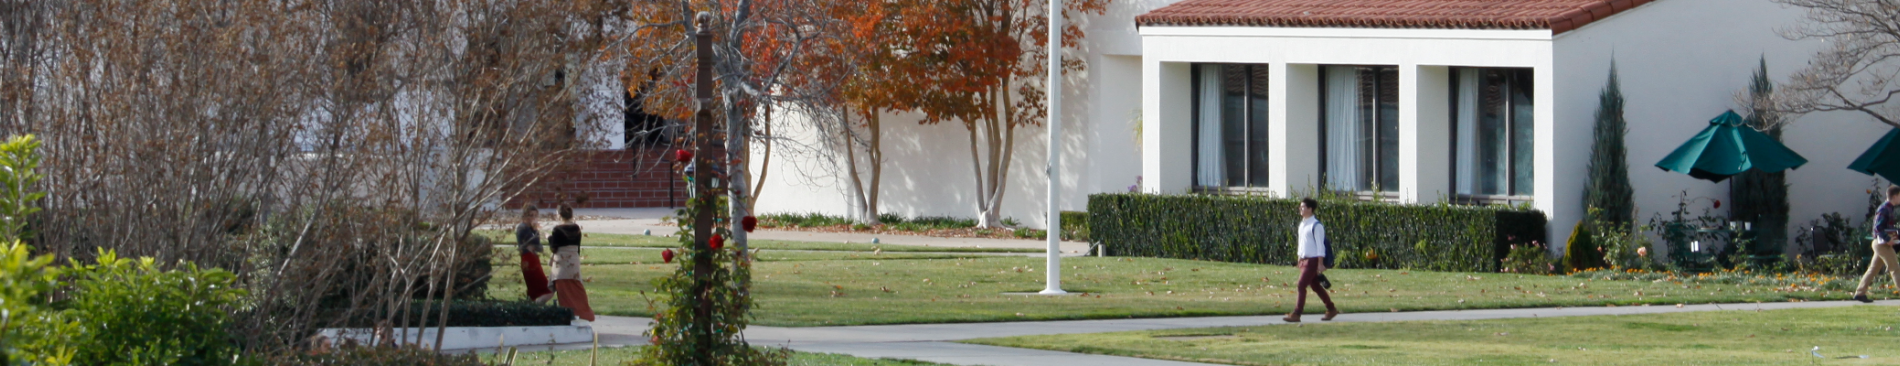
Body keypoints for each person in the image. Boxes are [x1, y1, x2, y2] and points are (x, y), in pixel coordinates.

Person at [1287, 198, 1338, 322]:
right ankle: (1331, 309)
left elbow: (1320, 246)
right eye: (1300, 207)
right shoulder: (1303, 224)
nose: (1300, 209)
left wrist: (1320, 263)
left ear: (1310, 209)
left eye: (1303, 207)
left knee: (1301, 285)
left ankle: (1297, 313)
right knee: (1315, 286)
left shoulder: (1316, 225)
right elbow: (1302, 243)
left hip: (1313, 260)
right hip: (1304, 261)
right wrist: (1299, 259)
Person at [547, 204, 595, 321]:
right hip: (573, 263)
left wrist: (549, 237)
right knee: (576, 290)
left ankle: (568, 315)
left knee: (562, 291)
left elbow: (554, 247)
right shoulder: (576, 228)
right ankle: (584, 313)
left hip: (561, 265)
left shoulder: (557, 229)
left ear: (559, 215)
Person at [1854, 186, 1900, 303]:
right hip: (1881, 244)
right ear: (1894, 196)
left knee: (1873, 269)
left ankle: (1860, 293)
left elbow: (1886, 227)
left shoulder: (1889, 208)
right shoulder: (1884, 209)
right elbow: (1877, 228)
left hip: (1882, 243)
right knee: (1895, 268)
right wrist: (1887, 239)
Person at [515, 206, 554, 304]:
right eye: (531, 215)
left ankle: (533, 307)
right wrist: (535, 229)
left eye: (535, 216)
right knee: (547, 291)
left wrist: (535, 231)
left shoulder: (531, 229)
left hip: (534, 258)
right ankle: (535, 307)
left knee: (537, 292)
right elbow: (532, 242)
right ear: (525, 216)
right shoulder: (522, 228)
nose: (533, 218)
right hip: (528, 259)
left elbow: (539, 247)